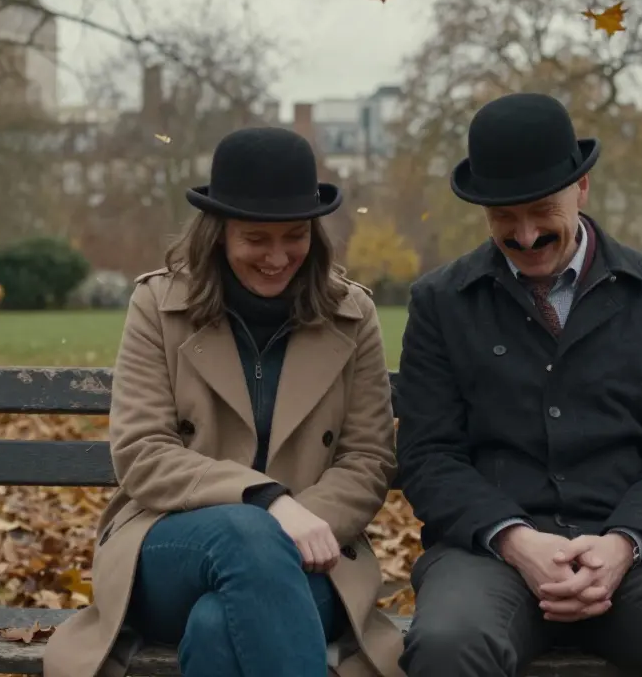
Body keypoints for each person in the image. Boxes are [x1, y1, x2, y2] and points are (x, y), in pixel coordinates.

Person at [394, 93, 642, 677]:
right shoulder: (441, 302)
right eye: (504, 218)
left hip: (636, 555)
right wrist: (517, 540)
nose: (524, 236)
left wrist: (623, 544)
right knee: (450, 643)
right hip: (488, 556)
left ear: (582, 188)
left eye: (540, 212)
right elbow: (429, 456)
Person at [43, 126, 404, 677]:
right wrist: (267, 502)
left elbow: (368, 457)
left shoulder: (351, 315)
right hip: (172, 548)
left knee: (218, 628)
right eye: (256, 239)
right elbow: (143, 451)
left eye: (294, 236)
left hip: (316, 556)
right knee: (246, 533)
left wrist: (302, 523)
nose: (278, 256)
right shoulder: (158, 306)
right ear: (219, 233)